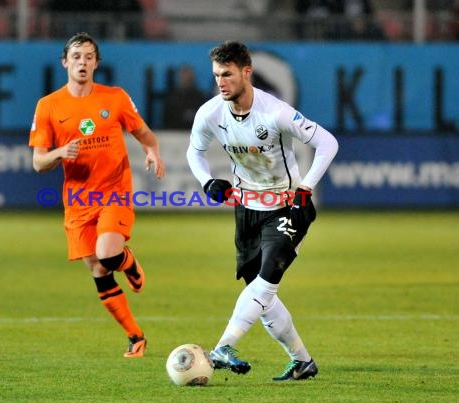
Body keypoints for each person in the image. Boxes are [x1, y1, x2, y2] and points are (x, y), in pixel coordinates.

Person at [186, 41, 338, 380]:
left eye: (227, 74)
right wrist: (207, 182)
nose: (221, 82)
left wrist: (306, 186)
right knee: (262, 296)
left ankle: (223, 346)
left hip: (287, 208)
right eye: (216, 76)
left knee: (266, 282)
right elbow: (194, 152)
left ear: (246, 72)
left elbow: (328, 142)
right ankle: (302, 361)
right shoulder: (210, 113)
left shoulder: (275, 112)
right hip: (246, 210)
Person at [29, 32, 165, 358]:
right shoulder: (48, 106)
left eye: (89, 57)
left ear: (96, 63)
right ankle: (136, 336)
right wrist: (60, 152)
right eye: (76, 56)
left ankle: (129, 262)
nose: (82, 62)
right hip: (77, 201)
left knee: (108, 254)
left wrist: (152, 152)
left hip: (114, 190)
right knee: (99, 270)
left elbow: (143, 133)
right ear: (65, 62)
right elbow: (38, 163)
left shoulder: (114, 98)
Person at [162, 65, 208, 130]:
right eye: (183, 78)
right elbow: (166, 119)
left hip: (195, 132)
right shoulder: (172, 98)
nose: (186, 80)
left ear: (193, 78)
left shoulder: (200, 97)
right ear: (179, 78)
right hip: (175, 133)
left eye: (188, 78)